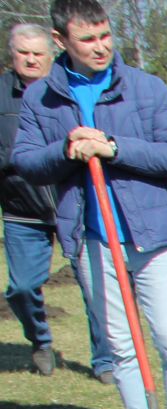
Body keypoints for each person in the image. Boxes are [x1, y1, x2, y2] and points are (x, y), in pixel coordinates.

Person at [14, 0, 167, 409]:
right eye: (87, 39)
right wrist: (67, 149)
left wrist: (113, 147)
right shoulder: (41, 100)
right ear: (61, 41)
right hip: (92, 239)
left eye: (104, 35)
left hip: (151, 236)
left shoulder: (144, 87)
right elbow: (25, 162)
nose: (100, 47)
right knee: (120, 347)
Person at [1, 20, 109, 379]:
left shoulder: (67, 92)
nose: (30, 60)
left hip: (73, 203)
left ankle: (104, 358)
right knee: (21, 287)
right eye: (23, 53)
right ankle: (40, 339)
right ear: (11, 54)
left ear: (53, 53)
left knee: (95, 285)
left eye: (38, 53)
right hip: (21, 209)